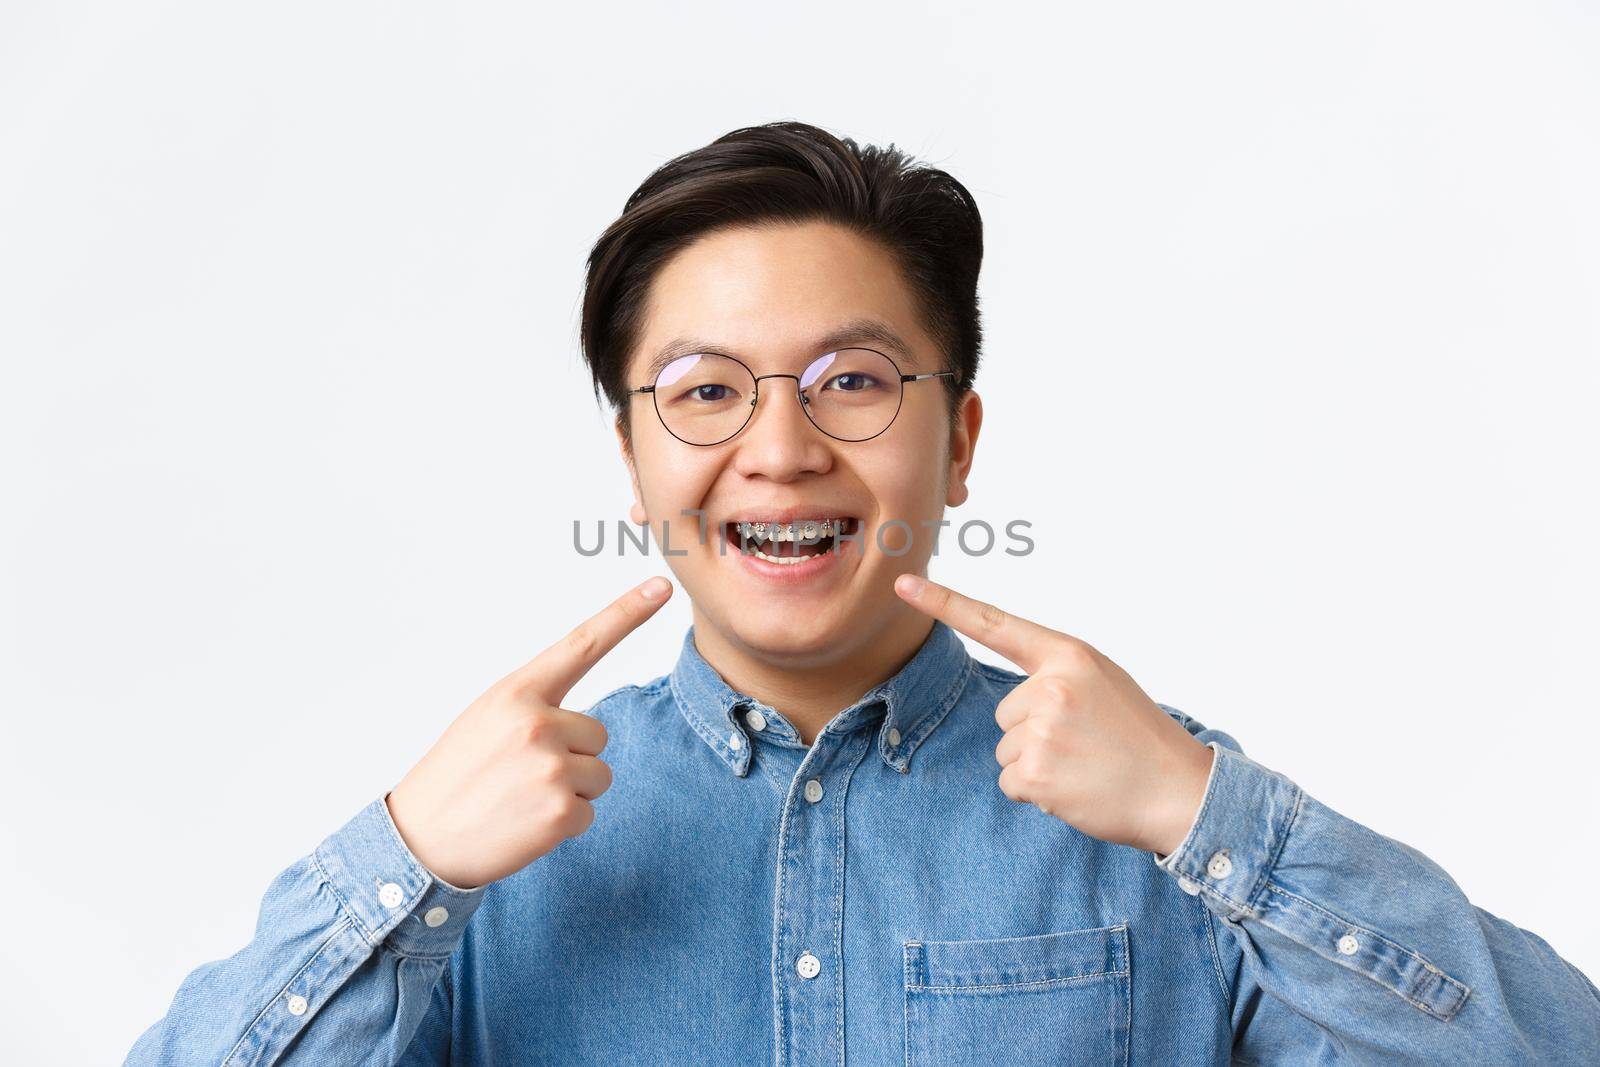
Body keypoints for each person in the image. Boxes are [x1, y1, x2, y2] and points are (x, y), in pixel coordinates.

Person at [126, 121, 1600, 1066]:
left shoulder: (1153, 821)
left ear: (958, 441)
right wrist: (403, 867)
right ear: (633, 458)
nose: (779, 448)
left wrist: (1209, 816)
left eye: (854, 382)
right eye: (705, 391)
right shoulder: (493, 847)